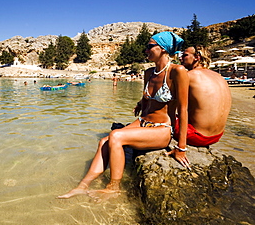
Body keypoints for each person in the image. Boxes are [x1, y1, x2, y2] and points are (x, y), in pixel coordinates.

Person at [57, 32, 189, 199]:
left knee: (116, 136)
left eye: (149, 46)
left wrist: (181, 148)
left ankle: (114, 187)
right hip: (142, 122)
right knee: (104, 141)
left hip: (161, 129)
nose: (145, 50)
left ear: (163, 49)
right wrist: (141, 104)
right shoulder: (149, 73)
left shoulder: (177, 71)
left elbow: (183, 109)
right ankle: (82, 186)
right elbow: (147, 98)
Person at [171, 46, 231, 148]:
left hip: (196, 136)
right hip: (216, 136)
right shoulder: (219, 77)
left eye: (185, 55)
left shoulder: (188, 75)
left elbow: (169, 101)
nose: (180, 58)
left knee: (160, 114)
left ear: (197, 57)